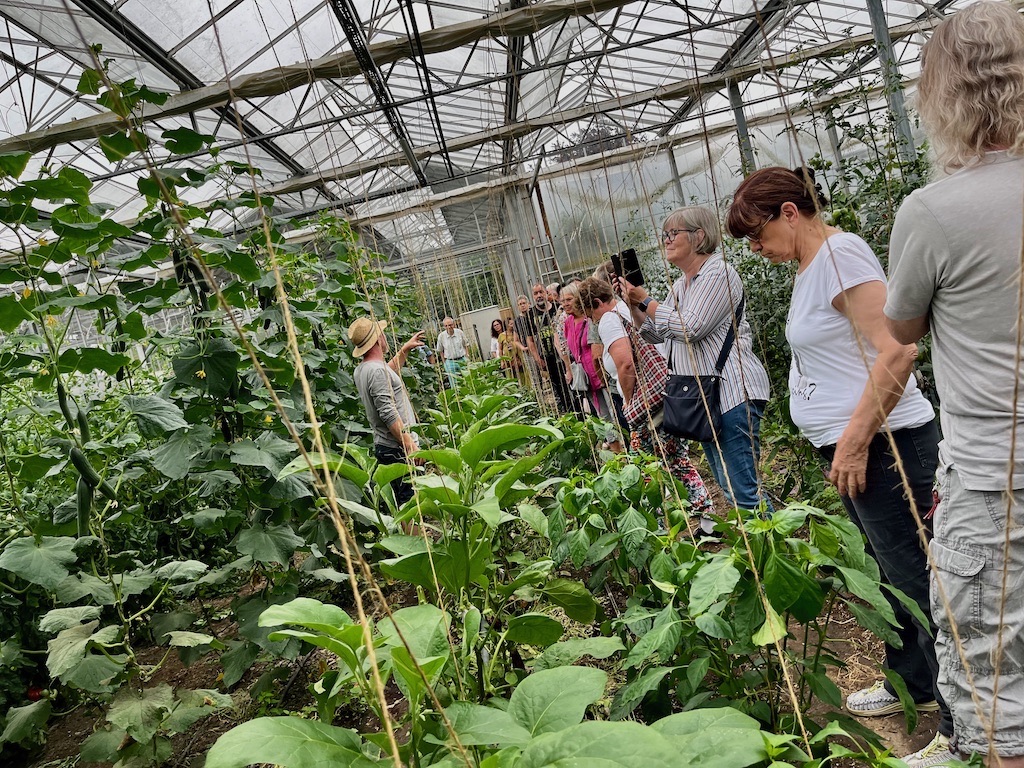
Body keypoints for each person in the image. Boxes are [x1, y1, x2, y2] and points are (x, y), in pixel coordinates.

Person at [726, 166, 950, 767]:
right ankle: (914, 682)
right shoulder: (811, 267)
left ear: (789, 212)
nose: (756, 249)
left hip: (888, 446)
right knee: (890, 574)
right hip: (860, 447)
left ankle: (961, 727)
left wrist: (853, 442)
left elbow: (897, 350)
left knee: (921, 580)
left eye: (757, 234)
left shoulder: (839, 256)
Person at [882, 4, 1024, 765]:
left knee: (995, 685)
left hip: (997, 480)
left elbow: (902, 328)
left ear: (939, 97)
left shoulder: (933, 211)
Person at [615, 205, 773, 515]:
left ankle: (772, 543)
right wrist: (634, 306)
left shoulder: (718, 273)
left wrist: (646, 300)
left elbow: (690, 327)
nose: (666, 240)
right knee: (729, 486)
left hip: (731, 393)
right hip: (705, 399)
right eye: (664, 234)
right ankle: (758, 540)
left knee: (743, 491)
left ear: (699, 236)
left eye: (673, 233)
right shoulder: (680, 285)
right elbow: (657, 334)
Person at [578, 277, 714, 520]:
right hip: (663, 397)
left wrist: (629, 401)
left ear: (597, 303)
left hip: (646, 406)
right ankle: (706, 517)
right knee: (675, 460)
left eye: (590, 314)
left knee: (641, 469)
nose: (592, 321)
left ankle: (657, 524)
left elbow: (626, 363)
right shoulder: (624, 309)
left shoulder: (609, 319)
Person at [348, 316, 425, 508]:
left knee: (404, 501)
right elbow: (388, 412)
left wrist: (404, 350)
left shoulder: (364, 369)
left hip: (386, 445)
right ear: (377, 339)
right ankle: (414, 530)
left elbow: (387, 374)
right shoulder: (377, 372)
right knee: (410, 504)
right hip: (397, 447)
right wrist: (409, 444)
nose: (385, 336)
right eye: (382, 333)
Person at [560, 282, 609, 417]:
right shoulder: (568, 323)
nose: (565, 304)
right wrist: (569, 369)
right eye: (562, 301)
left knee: (614, 409)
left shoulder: (590, 318)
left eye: (569, 299)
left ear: (577, 299)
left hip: (601, 372)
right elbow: (568, 348)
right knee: (603, 415)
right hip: (586, 377)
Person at [524, 282, 572, 413]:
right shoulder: (530, 315)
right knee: (558, 386)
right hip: (547, 357)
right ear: (533, 296)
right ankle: (567, 412)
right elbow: (530, 340)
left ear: (546, 293)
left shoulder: (557, 308)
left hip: (565, 354)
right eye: (535, 293)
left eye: (541, 292)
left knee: (573, 385)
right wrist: (537, 358)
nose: (539, 295)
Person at [435, 316, 468, 387]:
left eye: (450, 325)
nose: (449, 327)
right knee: (454, 383)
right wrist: (445, 363)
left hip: (462, 359)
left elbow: (466, 345)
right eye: (446, 326)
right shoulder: (441, 336)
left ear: (454, 324)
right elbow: (440, 350)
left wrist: (467, 356)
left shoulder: (459, 332)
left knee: (467, 378)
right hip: (450, 362)